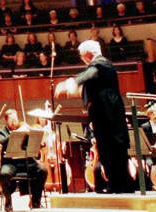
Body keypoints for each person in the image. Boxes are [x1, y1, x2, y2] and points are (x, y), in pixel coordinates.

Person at [55, 40, 134, 193]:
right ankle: (118, 185)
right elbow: (89, 81)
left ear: (88, 54)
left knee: (112, 150)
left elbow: (87, 75)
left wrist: (69, 84)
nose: (82, 58)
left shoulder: (100, 64)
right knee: (107, 150)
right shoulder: (100, 65)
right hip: (105, 115)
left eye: (82, 56)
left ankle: (121, 186)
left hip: (109, 116)